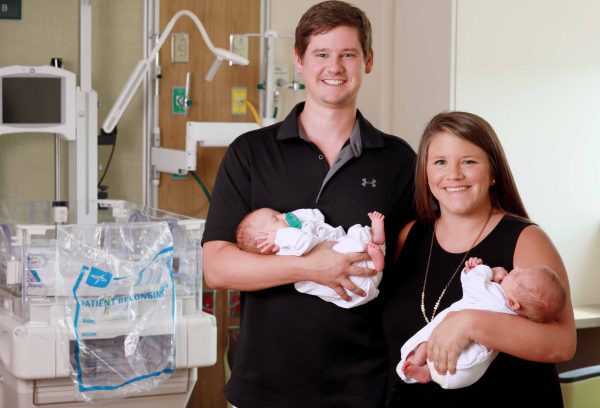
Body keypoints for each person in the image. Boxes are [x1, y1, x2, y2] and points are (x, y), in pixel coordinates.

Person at [202, 1, 416, 407]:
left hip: (363, 387)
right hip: (265, 386)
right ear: (299, 60)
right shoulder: (250, 153)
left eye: (347, 54)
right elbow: (216, 267)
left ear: (367, 61)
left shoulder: (398, 161)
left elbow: (415, 264)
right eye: (321, 54)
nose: (334, 67)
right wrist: (308, 266)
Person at [381, 111, 576, 407]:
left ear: (493, 172)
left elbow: (562, 344)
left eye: (469, 161)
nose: (454, 174)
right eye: (440, 162)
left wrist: (470, 323)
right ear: (425, 173)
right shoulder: (409, 235)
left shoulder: (526, 239)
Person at [398, 256, 566, 389]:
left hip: (447, 346)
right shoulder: (519, 318)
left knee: (429, 339)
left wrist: (486, 270)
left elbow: (472, 280)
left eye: (517, 275)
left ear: (514, 303)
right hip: (470, 368)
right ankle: (428, 373)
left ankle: (417, 361)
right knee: (451, 371)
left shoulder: (491, 291)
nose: (516, 268)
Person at [235, 207, 386, 308]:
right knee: (350, 244)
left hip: (363, 276)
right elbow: (306, 242)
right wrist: (280, 236)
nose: (283, 216)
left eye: (279, 213)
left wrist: (293, 217)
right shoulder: (285, 249)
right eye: (275, 219)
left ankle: (378, 249)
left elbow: (317, 215)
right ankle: (376, 251)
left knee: (356, 235)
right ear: (266, 243)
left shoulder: (297, 230)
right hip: (355, 285)